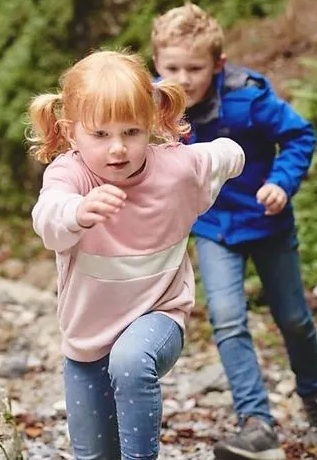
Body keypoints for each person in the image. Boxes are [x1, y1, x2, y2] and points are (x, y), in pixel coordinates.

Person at [29, 50, 245, 460]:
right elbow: (48, 219)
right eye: (101, 135)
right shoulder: (69, 175)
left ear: (151, 124)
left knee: (130, 362)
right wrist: (78, 211)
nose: (118, 149)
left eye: (131, 132)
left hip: (159, 314)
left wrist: (234, 156)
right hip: (87, 339)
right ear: (71, 132)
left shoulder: (177, 169)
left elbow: (225, 154)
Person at [151, 2, 317, 459]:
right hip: (215, 228)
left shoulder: (247, 96)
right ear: (156, 63)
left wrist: (282, 181)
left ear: (217, 65)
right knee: (228, 319)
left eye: (194, 68)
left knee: (294, 320)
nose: (182, 78)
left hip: (268, 221)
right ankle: (256, 422)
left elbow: (299, 136)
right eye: (171, 67)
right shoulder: (152, 103)